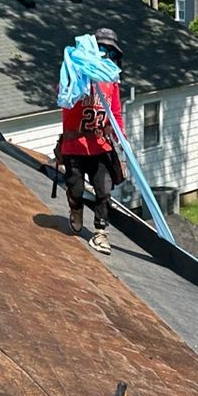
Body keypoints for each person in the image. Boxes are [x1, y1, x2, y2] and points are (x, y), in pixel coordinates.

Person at [55, 26, 125, 255]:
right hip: (75, 145)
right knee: (75, 188)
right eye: (102, 50)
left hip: (100, 145)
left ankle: (101, 233)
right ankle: (75, 209)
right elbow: (63, 96)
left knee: (103, 190)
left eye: (111, 53)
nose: (107, 56)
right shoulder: (74, 75)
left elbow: (115, 112)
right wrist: (79, 77)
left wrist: (120, 137)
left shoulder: (111, 82)